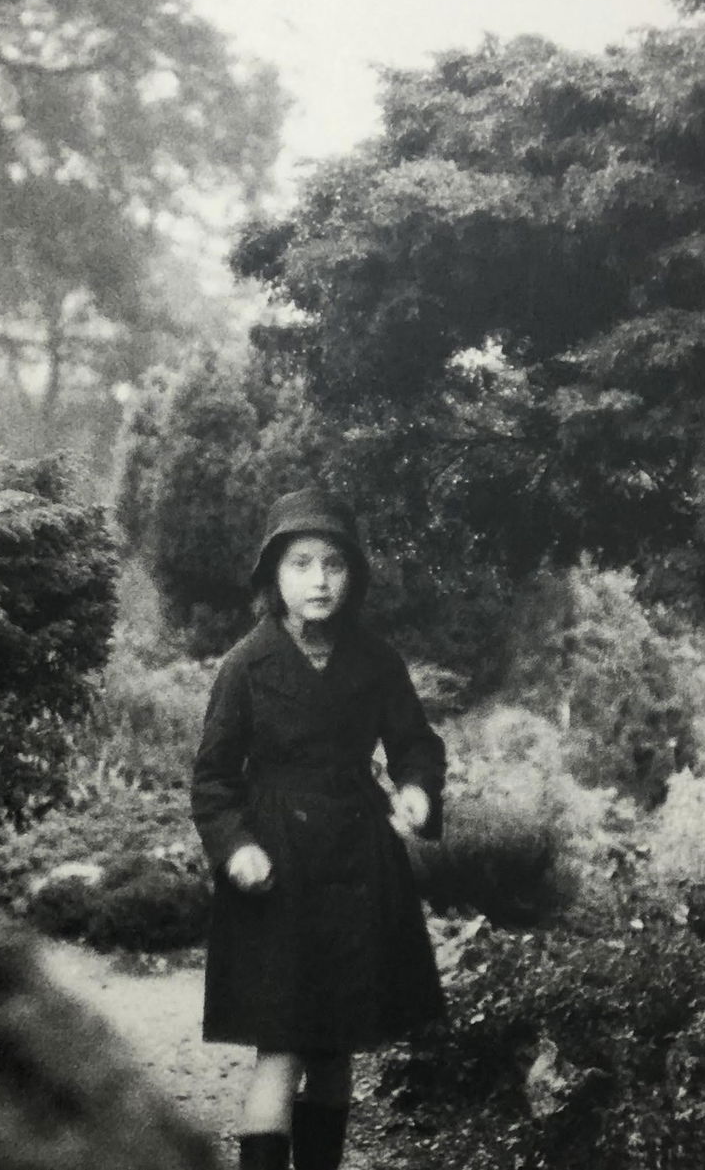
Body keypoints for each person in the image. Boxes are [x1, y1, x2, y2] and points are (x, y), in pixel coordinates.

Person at [191, 487, 447, 1170]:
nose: (319, 579)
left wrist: (417, 789)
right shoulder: (246, 665)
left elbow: (415, 743)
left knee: (335, 1053)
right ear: (273, 576)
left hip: (358, 865)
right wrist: (236, 845)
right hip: (276, 874)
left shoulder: (376, 660)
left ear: (352, 575)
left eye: (333, 563)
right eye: (301, 563)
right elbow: (213, 779)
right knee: (280, 1050)